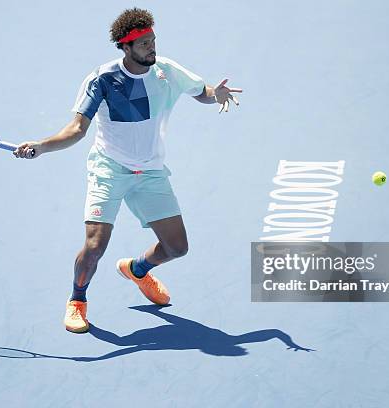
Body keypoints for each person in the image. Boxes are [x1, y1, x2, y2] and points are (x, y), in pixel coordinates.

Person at [14, 7, 242, 333]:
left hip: (150, 173)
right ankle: (77, 300)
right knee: (94, 247)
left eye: (153, 40)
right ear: (126, 47)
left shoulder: (166, 70)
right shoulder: (102, 80)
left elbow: (201, 92)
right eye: (144, 43)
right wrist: (42, 145)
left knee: (177, 248)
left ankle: (137, 269)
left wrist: (214, 93)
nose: (152, 47)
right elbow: (77, 129)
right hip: (110, 170)